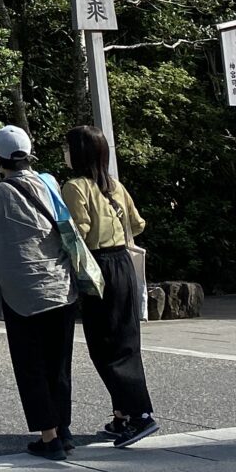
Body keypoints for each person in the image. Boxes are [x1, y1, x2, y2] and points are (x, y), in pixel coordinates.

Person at [0, 125, 79, 458]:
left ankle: (49, 439)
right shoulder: (49, 184)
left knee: (31, 364)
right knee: (59, 363)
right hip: (61, 286)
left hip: (22, 294)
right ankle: (63, 428)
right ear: (29, 154)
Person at [62, 123, 158, 446]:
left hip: (100, 267)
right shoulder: (114, 186)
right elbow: (138, 224)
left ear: (78, 153)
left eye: (68, 147)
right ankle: (122, 416)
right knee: (125, 339)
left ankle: (140, 414)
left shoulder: (75, 187)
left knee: (105, 345)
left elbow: (79, 232)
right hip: (124, 265)